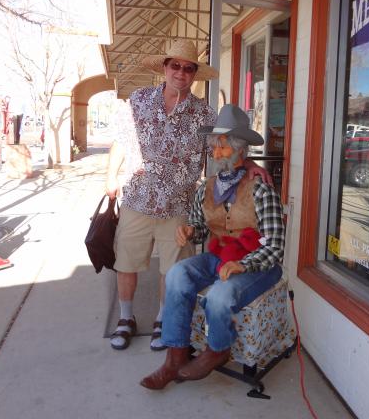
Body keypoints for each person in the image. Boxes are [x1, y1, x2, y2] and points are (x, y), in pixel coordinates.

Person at [106, 40, 270, 352]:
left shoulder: (204, 113)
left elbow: (223, 148)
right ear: (164, 67)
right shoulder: (138, 100)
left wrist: (249, 164)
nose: (181, 72)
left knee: (173, 270)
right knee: (126, 262)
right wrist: (110, 176)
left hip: (179, 205)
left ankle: (162, 320)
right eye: (175, 66)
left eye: (188, 68)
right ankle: (125, 318)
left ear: (194, 74)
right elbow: (121, 142)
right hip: (137, 199)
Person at [139, 104, 285, 389]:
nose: (216, 154)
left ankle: (218, 348)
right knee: (177, 274)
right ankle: (175, 356)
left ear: (240, 150)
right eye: (214, 147)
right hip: (219, 257)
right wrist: (190, 231)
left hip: (259, 264)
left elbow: (275, 246)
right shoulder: (207, 187)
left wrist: (243, 264)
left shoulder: (260, 189)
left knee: (220, 295)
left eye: (222, 147)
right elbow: (200, 226)